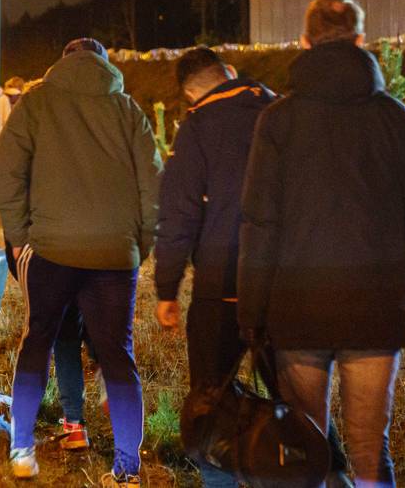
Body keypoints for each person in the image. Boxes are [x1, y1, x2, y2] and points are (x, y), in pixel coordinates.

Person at [237, 0, 405, 487]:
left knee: (308, 451)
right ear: (360, 41)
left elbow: (259, 223)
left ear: (304, 43)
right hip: (376, 306)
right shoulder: (394, 118)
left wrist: (252, 311)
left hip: (298, 306)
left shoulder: (278, 121)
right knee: (372, 450)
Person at [0, 37, 161, 487]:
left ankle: (23, 450)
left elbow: (6, 170)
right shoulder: (127, 110)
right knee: (117, 357)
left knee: (37, 342)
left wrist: (21, 233)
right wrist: (139, 244)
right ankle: (127, 470)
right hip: (114, 254)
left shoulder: (36, 103)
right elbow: (153, 183)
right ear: (104, 64)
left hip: (50, 249)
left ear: (61, 62)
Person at [155, 47, 276, 487]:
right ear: (228, 72)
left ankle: (220, 480)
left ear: (191, 92)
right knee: (296, 402)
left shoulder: (198, 126)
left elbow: (178, 215)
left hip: (222, 287)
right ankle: (308, 469)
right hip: (284, 288)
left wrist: (167, 289)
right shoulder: (279, 110)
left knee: (211, 399)